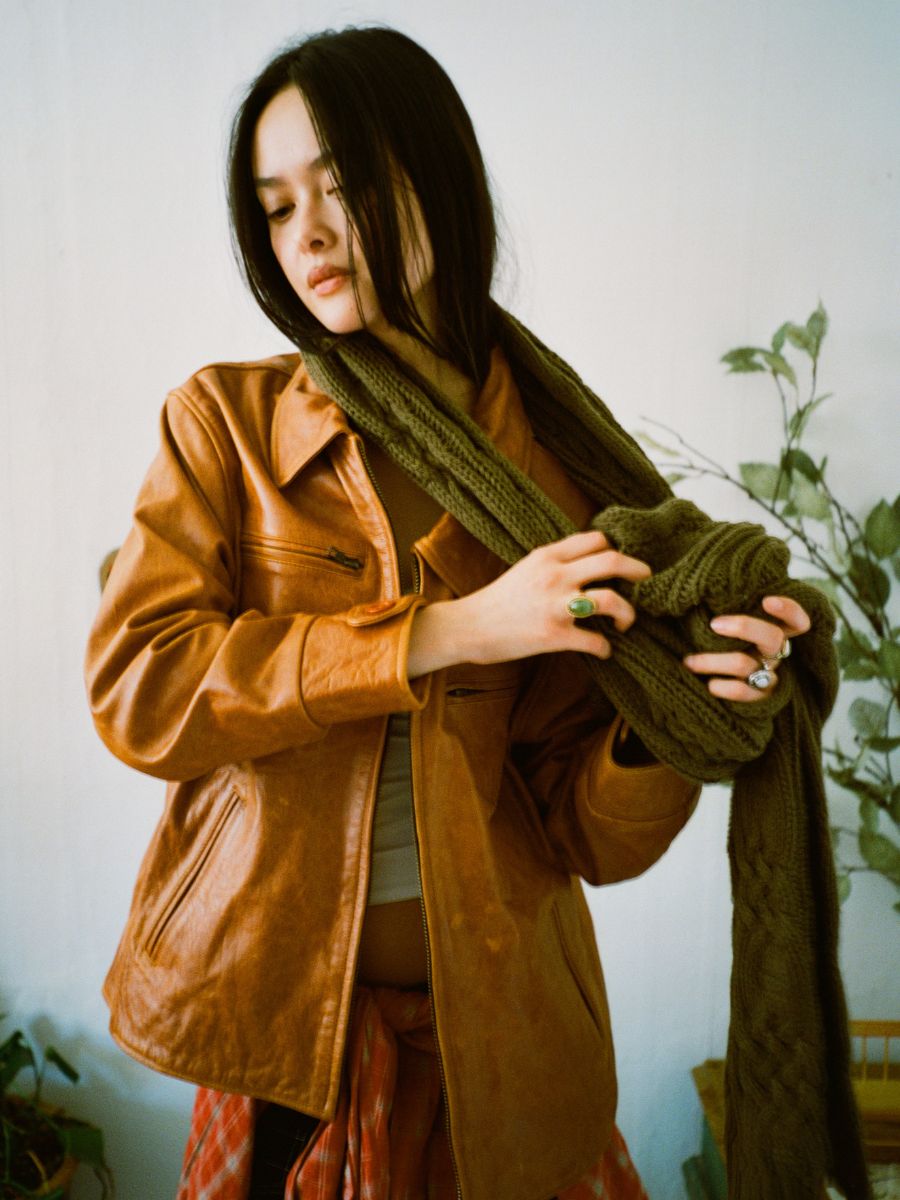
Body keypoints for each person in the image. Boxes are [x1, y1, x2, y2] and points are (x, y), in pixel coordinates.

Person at [85, 26, 817, 1200]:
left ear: (437, 177)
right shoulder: (222, 425)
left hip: (505, 1034)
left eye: (341, 183)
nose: (308, 233)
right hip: (281, 1042)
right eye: (276, 206)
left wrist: (669, 721)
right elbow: (143, 694)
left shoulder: (563, 475)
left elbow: (579, 828)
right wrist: (448, 631)